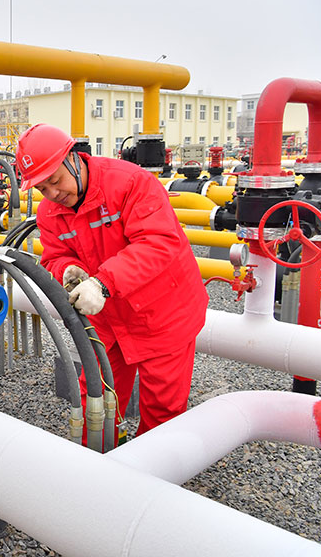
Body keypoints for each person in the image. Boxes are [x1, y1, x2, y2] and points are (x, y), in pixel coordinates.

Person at [15, 123, 208, 438]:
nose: (53, 194)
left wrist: (102, 283)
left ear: (73, 159)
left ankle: (153, 465)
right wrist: (69, 270)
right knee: (96, 396)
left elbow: (157, 242)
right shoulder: (50, 213)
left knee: (163, 408)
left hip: (163, 313)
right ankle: (100, 456)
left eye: (55, 180)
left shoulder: (129, 183)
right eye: (42, 188)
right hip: (107, 318)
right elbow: (53, 257)